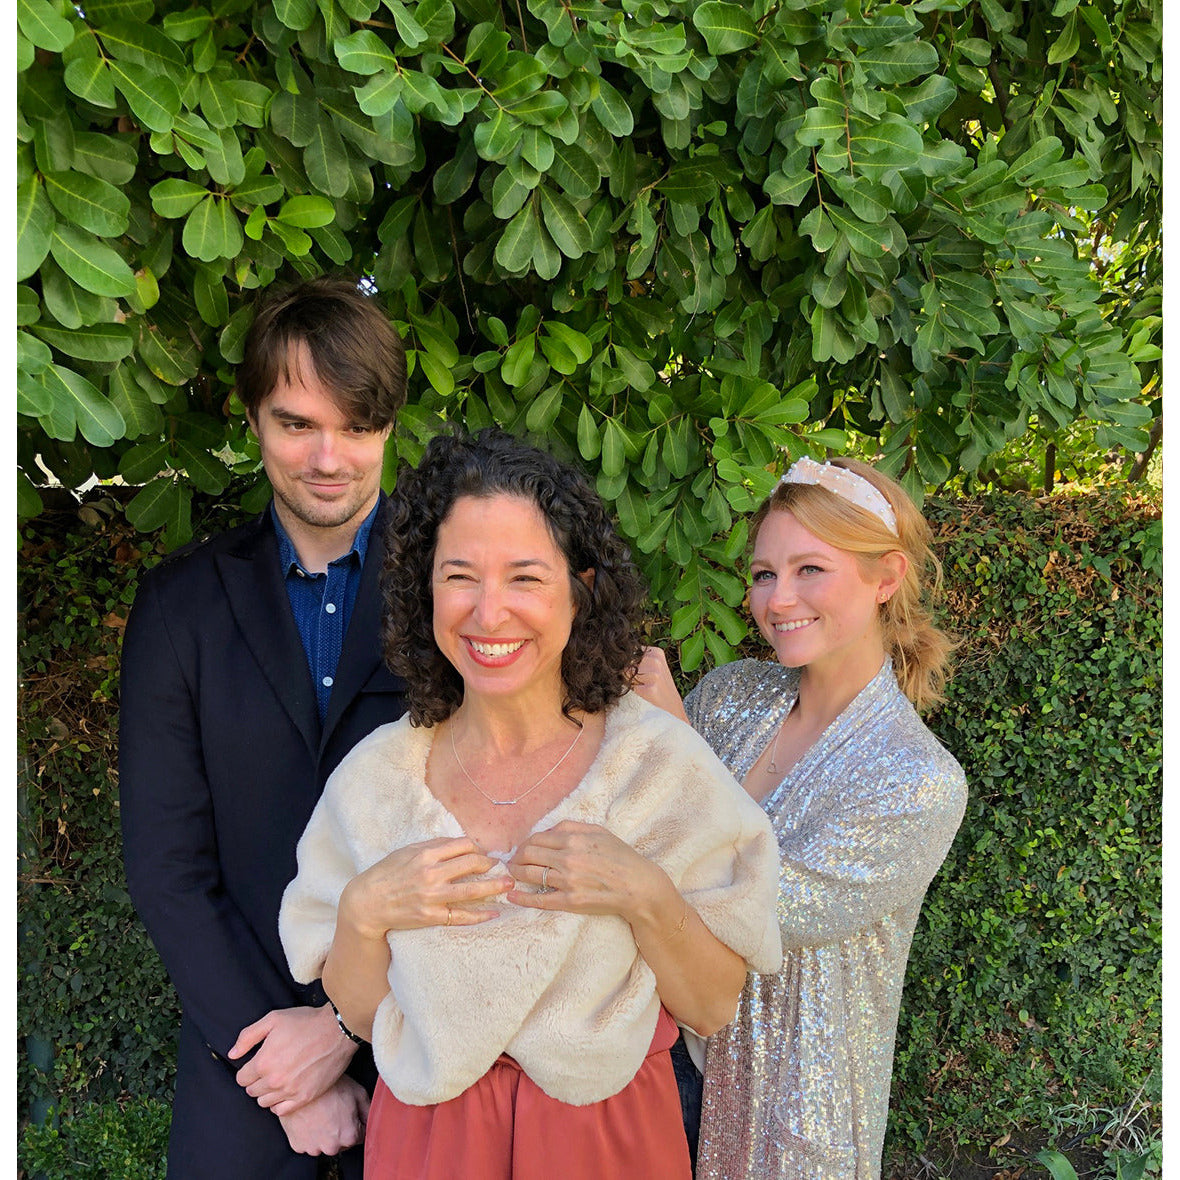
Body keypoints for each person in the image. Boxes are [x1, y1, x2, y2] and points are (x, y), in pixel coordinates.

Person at [278, 428, 783, 1180]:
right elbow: (356, 1009)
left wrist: (644, 893)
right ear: (425, 588)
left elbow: (713, 1006)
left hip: (609, 1142)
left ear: (578, 589)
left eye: (524, 577)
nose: (489, 612)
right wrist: (363, 911)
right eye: (460, 576)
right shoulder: (376, 782)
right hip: (429, 1146)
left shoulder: (656, 764)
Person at [119, 274, 409, 1179]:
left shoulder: (460, 595)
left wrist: (343, 1028)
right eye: (297, 423)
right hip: (242, 1073)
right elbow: (168, 866)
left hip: (423, 1057)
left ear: (389, 426)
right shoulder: (179, 609)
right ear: (252, 420)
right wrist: (286, 1070)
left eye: (357, 426)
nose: (330, 457)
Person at [637, 456, 967, 1180]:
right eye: (762, 573)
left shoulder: (916, 779)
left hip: (787, 1106)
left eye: (809, 569)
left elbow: (765, 910)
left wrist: (672, 747)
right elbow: (636, 830)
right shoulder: (730, 697)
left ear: (886, 577)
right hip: (656, 1060)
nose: (778, 599)